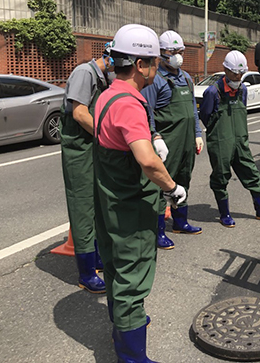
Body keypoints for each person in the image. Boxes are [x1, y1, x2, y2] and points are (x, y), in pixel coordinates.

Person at [93, 23, 187, 362]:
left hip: (110, 205)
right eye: (154, 61)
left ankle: (125, 330)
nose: (158, 67)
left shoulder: (107, 95)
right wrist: (173, 188)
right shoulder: (130, 104)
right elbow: (147, 162)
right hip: (130, 209)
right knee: (133, 279)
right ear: (139, 65)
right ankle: (132, 356)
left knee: (117, 272)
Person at [199, 50, 260, 227]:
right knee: (220, 177)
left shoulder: (242, 90)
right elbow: (205, 116)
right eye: (234, 73)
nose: (238, 76)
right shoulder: (213, 92)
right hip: (221, 143)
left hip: (241, 142)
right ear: (225, 70)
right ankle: (224, 213)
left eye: (241, 73)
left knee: (252, 174)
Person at [141, 30, 203, 250]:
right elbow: (147, 113)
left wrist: (197, 133)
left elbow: (193, 111)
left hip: (186, 141)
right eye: (173, 51)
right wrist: (154, 138)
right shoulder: (155, 80)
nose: (178, 55)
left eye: (181, 51)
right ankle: (157, 232)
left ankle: (180, 222)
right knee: (161, 184)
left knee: (183, 179)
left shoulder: (186, 77)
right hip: (167, 143)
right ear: (162, 53)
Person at [60, 42, 113, 294]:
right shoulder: (85, 73)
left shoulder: (103, 79)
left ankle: (96, 258)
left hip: (92, 148)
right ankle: (86, 272)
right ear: (110, 59)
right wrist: (106, 136)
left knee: (97, 205)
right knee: (83, 207)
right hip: (79, 151)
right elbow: (80, 113)